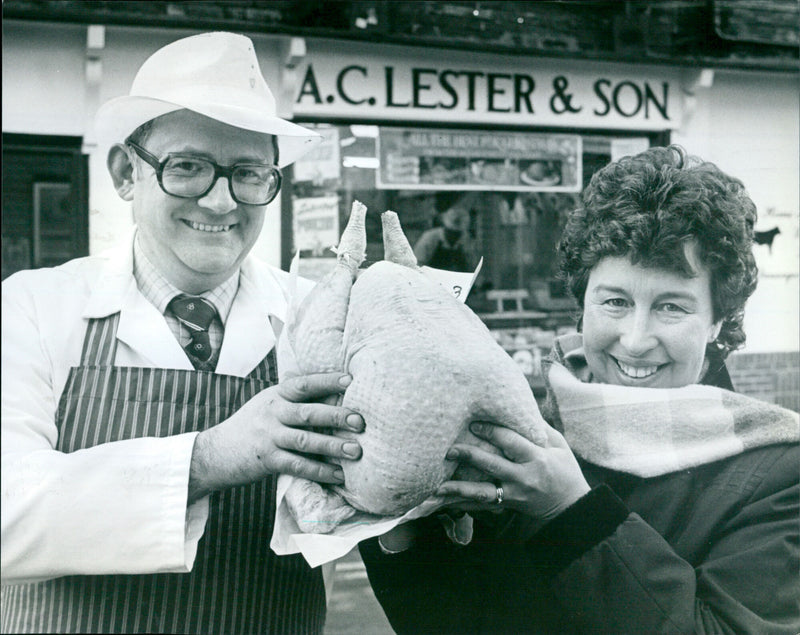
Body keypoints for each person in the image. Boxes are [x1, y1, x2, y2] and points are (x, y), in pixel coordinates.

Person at [1, 32, 365, 634]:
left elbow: (359, 512)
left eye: (249, 174)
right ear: (125, 173)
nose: (222, 202)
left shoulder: (319, 314)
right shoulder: (33, 308)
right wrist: (210, 457)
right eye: (188, 167)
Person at [360, 146, 800, 634]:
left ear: (719, 319)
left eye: (672, 307)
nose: (634, 340)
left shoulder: (778, 473)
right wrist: (401, 524)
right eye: (615, 301)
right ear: (581, 300)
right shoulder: (530, 434)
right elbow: (455, 622)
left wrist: (570, 511)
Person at [413, 192, 478, 272]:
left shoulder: (466, 240)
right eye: (451, 232)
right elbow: (417, 265)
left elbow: (471, 266)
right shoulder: (429, 238)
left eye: (457, 234)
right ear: (445, 228)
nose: (454, 236)